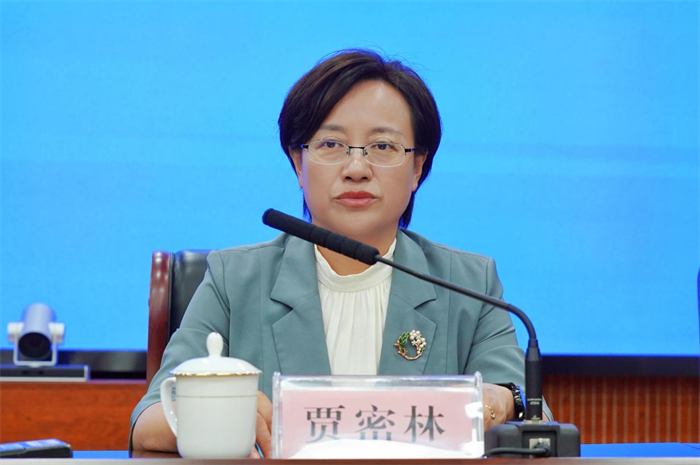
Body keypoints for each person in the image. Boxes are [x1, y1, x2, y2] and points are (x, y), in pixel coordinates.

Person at [130, 49, 551, 455]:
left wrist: (496, 404)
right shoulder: (234, 280)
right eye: (331, 144)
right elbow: (148, 421)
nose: (356, 169)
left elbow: (532, 417)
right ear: (299, 163)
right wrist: (224, 415)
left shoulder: (469, 284)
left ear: (417, 167)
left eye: (383, 147)